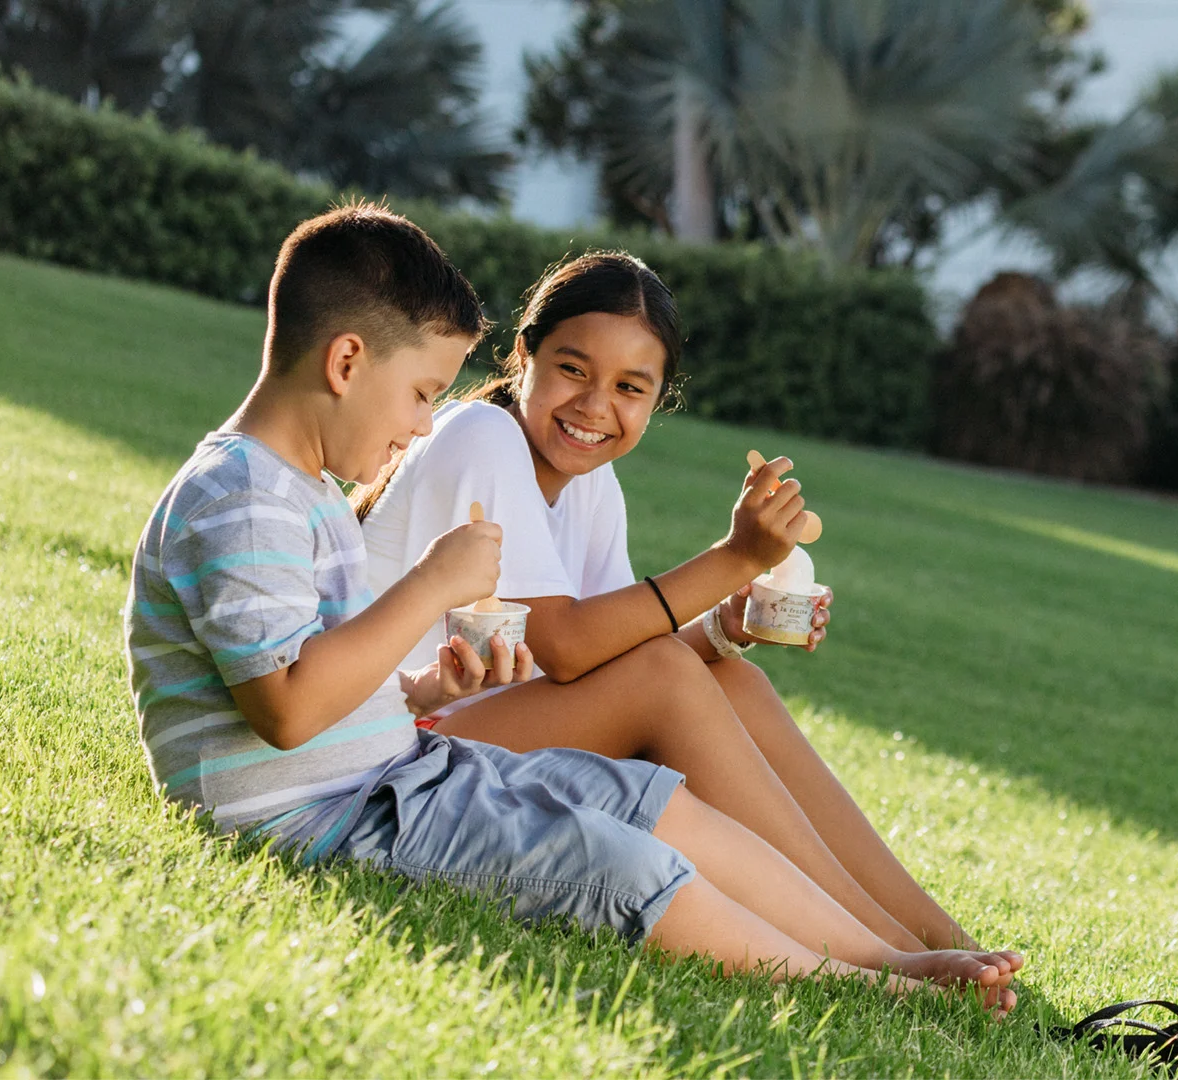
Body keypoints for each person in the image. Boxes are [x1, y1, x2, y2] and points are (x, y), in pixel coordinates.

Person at [122, 204, 1017, 1011]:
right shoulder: (253, 496)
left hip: (393, 765)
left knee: (668, 767)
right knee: (624, 845)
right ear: (349, 361)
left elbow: (351, 676)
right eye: (423, 393)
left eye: (631, 388)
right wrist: (729, 558)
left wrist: (432, 682)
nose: (426, 422)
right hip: (345, 805)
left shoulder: (310, 493)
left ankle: (905, 944)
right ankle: (875, 975)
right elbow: (290, 707)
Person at [354, 252, 994, 957]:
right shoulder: (484, 437)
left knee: (731, 678)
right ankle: (887, 946)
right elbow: (568, 647)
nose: (596, 407)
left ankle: (935, 934)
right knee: (665, 674)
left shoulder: (587, 482)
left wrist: (725, 626)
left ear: (658, 400)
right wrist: (735, 559)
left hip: (475, 728)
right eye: (573, 369)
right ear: (523, 354)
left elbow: (614, 657)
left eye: (630, 387)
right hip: (393, 752)